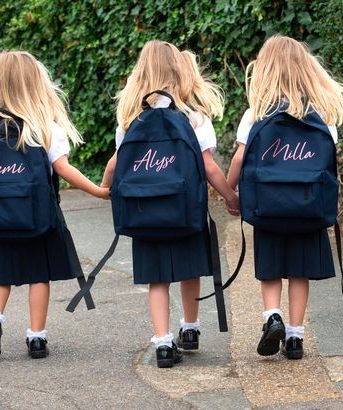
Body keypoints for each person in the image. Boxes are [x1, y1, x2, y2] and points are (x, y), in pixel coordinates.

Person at [0, 51, 110, 359]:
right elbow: (63, 168)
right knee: (38, 275)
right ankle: (37, 337)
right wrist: (97, 190)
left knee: (0, 273)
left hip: (0, 216)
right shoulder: (46, 128)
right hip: (38, 215)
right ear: (37, 85)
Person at [101, 40, 239, 368]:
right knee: (190, 269)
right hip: (184, 208)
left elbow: (116, 163)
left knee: (157, 278)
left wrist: (104, 187)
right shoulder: (192, 116)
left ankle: (163, 343)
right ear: (179, 70)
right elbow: (208, 166)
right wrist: (231, 196)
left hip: (144, 211)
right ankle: (189, 329)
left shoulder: (131, 117)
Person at [227, 35, 343, 359]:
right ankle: (297, 337)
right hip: (308, 205)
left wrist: (231, 193)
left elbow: (239, 159)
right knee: (300, 271)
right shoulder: (323, 115)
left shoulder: (256, 113)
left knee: (271, 269)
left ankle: (273, 317)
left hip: (268, 205)